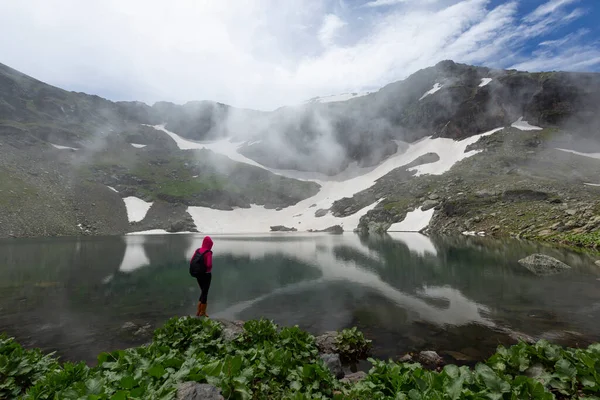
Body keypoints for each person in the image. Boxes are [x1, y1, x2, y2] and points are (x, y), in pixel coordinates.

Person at [190, 235, 213, 317]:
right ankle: (202, 312)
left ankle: (199, 311)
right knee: (205, 292)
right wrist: (207, 270)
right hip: (206, 275)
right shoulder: (208, 253)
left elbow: (191, 260)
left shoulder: (198, 250)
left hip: (198, 274)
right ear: (210, 245)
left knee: (203, 291)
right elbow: (209, 264)